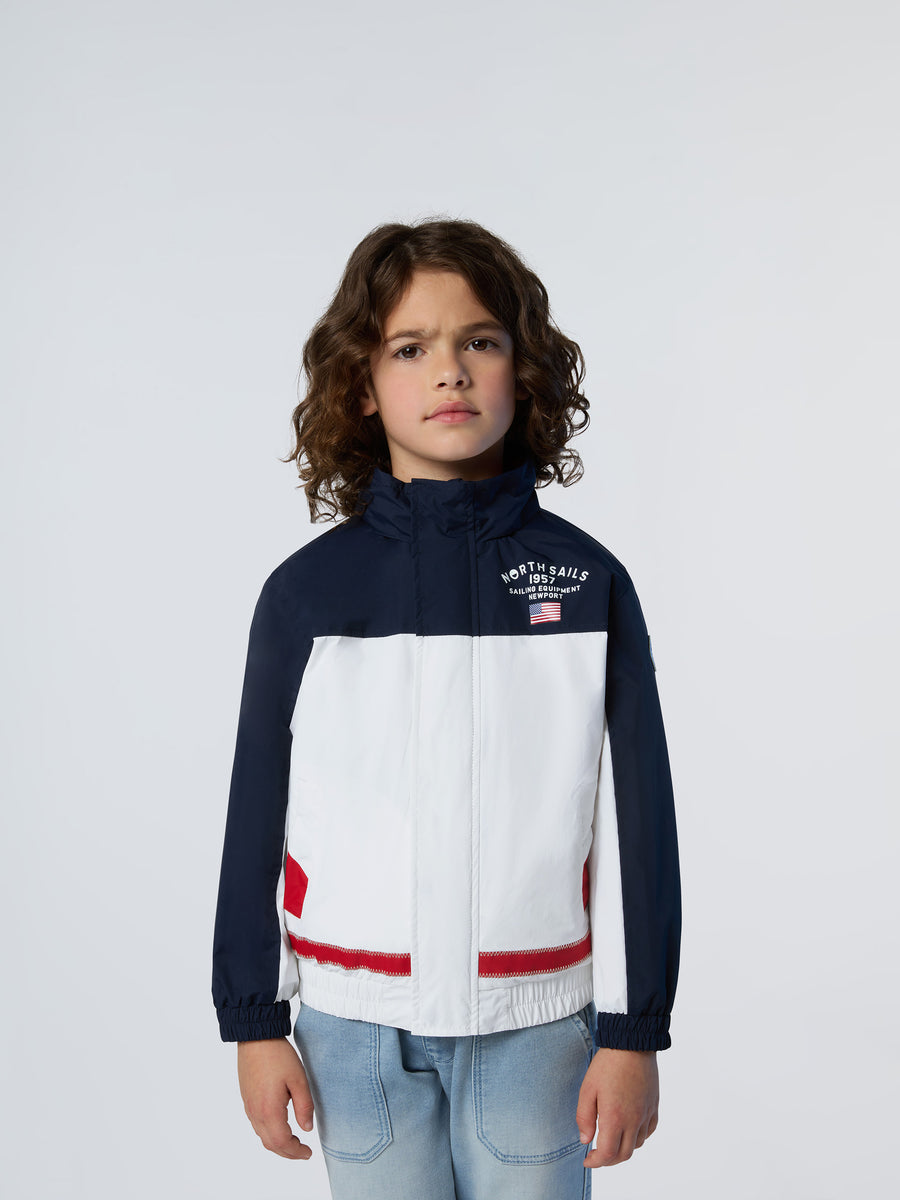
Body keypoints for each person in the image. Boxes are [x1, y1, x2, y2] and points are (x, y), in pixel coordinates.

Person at [212, 217, 681, 1200]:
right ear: (361, 383)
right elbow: (257, 814)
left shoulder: (587, 584)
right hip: (351, 1034)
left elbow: (637, 823)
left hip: (536, 1030)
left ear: (524, 370)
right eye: (410, 348)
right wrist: (254, 1019)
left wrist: (633, 1032)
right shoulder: (305, 595)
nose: (450, 371)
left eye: (480, 341)